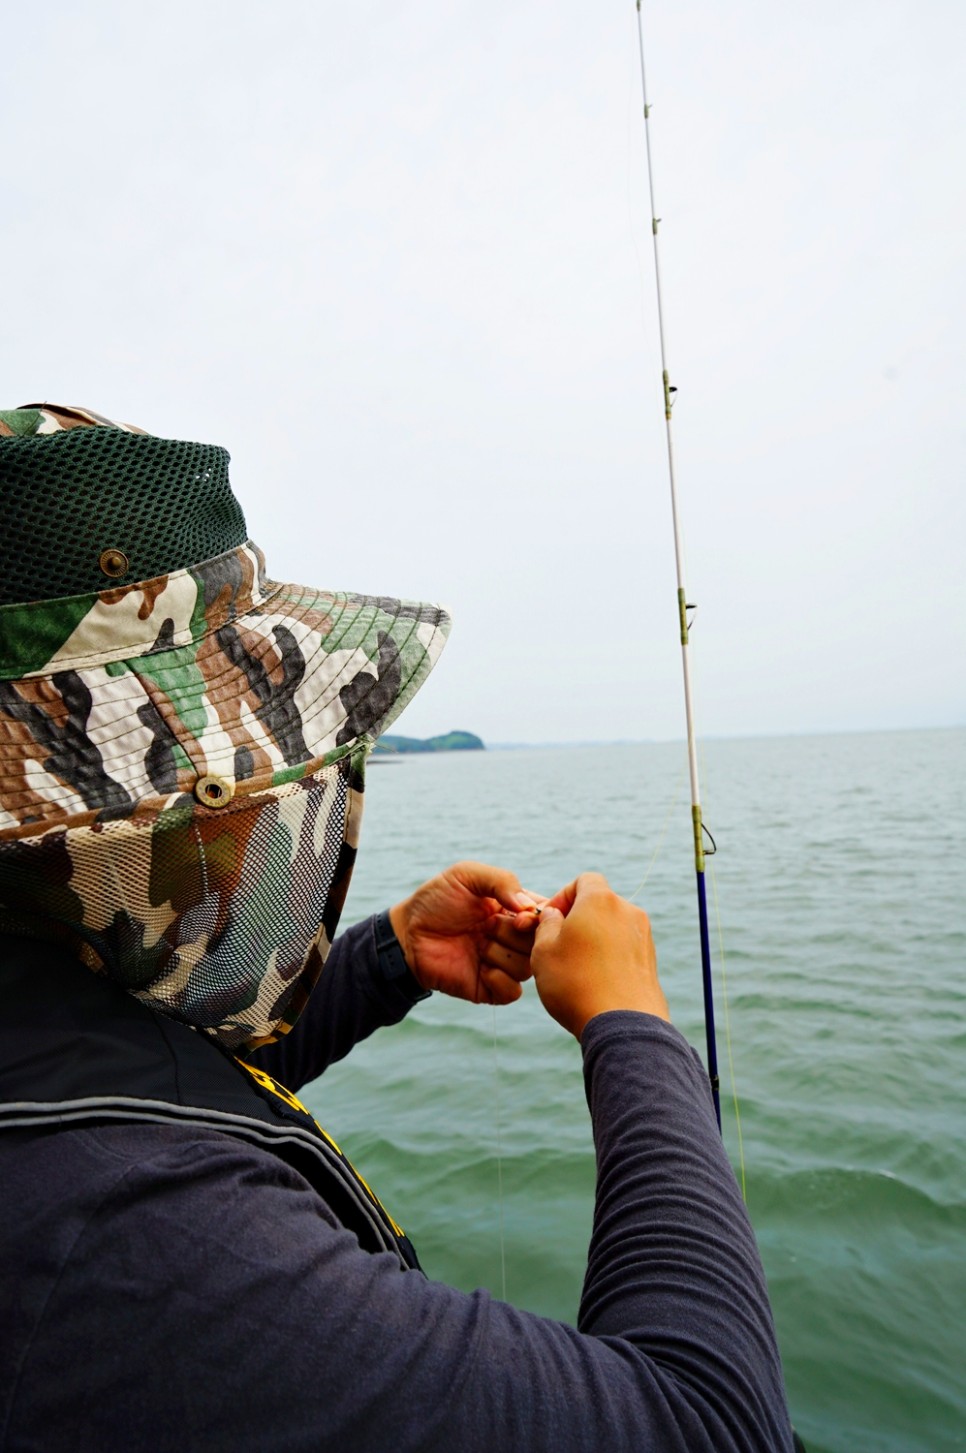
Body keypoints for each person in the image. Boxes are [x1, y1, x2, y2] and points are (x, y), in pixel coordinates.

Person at [0, 405, 796, 1451]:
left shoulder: (33, 975)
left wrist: (389, 956)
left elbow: (133, 1064)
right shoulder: (127, 1240)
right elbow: (709, 1422)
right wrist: (633, 1025)